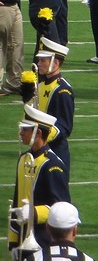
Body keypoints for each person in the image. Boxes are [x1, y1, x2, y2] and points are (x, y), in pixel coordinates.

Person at [10, 104, 71, 250]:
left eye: (26, 129)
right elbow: (17, 199)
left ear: (37, 133)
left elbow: (62, 207)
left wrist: (34, 213)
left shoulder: (53, 165)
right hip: (23, 238)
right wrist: (13, 240)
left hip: (43, 241)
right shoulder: (24, 159)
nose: (21, 133)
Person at [27, 37, 74, 179]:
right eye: (39, 60)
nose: (38, 64)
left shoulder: (62, 90)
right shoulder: (40, 85)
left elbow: (65, 127)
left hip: (55, 152)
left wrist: (39, 135)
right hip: (38, 148)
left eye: (43, 61)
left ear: (56, 62)